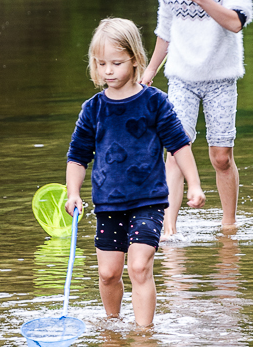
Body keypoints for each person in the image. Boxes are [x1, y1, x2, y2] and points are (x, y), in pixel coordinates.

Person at [65, 18, 205, 327]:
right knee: (108, 273)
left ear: (135, 59)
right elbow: (77, 156)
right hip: (108, 204)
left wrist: (194, 184)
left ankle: (144, 336)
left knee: (139, 267)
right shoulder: (93, 109)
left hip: (149, 200)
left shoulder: (155, 102)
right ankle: (113, 326)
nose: (108, 71)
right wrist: (73, 192)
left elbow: (179, 145)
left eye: (116, 63)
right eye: (101, 64)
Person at [139, 0, 253, 237]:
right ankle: (169, 229)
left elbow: (235, 23)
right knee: (174, 152)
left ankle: (228, 227)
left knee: (220, 156)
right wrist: (148, 73)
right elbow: (165, 32)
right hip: (182, 78)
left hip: (221, 78)